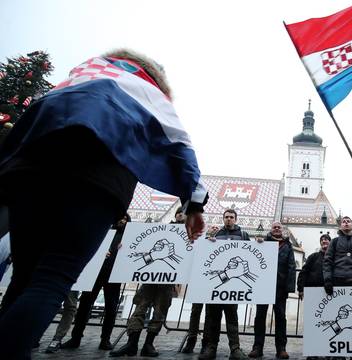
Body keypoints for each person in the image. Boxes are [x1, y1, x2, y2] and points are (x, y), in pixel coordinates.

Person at [0, 49, 207, 358]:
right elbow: (178, 144)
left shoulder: (77, 77)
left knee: (23, 278)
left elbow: (25, 124)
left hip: (30, 175)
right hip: (94, 180)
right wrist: (194, 204)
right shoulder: (146, 90)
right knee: (52, 277)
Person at [110, 210, 186, 357]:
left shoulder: (191, 234)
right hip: (150, 279)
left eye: (184, 213)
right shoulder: (161, 230)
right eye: (179, 212)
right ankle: (131, 343)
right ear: (175, 215)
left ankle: (148, 344)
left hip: (167, 281)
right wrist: (124, 246)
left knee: (159, 311)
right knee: (140, 308)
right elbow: (142, 245)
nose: (181, 215)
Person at [59, 214, 130, 351]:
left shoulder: (128, 236)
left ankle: (105, 339)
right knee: (85, 305)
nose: (122, 220)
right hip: (95, 272)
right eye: (121, 218)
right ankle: (76, 337)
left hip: (113, 274)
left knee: (111, 308)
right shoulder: (104, 231)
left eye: (126, 219)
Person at [199, 209, 249, 360]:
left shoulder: (243, 235)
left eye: (231, 217)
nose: (228, 219)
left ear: (235, 219)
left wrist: (260, 243)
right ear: (223, 219)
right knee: (213, 318)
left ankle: (235, 349)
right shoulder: (215, 234)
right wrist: (208, 240)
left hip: (233, 286)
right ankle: (211, 348)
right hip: (215, 285)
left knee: (232, 318)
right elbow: (204, 254)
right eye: (226, 217)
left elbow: (250, 253)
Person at [249, 222, 296, 359]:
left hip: (280, 287)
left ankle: (281, 348)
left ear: (282, 230)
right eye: (274, 227)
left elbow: (291, 267)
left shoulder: (288, 246)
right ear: (271, 229)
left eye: (279, 227)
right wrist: (257, 243)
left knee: (280, 318)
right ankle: (257, 347)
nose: (276, 229)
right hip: (263, 286)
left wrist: (289, 288)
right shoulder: (263, 242)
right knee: (260, 317)